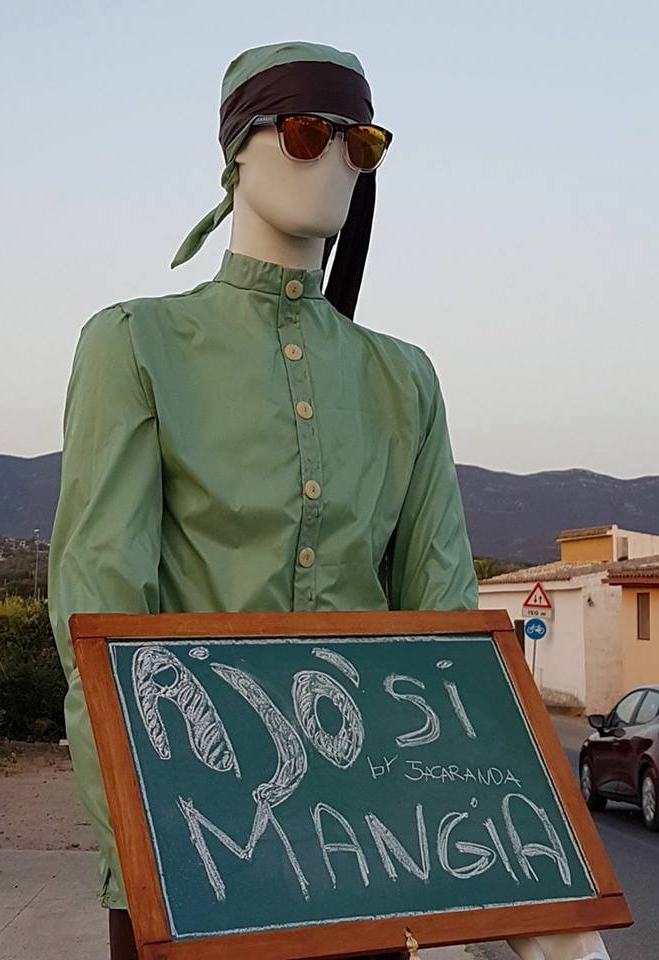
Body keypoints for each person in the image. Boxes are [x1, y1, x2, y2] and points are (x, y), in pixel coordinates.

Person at [49, 40, 606, 960]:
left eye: (362, 143)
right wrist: (144, 853)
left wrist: (536, 906)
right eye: (310, 132)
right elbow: (97, 628)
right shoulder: (138, 344)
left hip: (366, 856)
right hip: (200, 854)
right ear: (239, 148)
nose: (338, 161)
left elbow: (447, 638)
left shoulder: (403, 378)